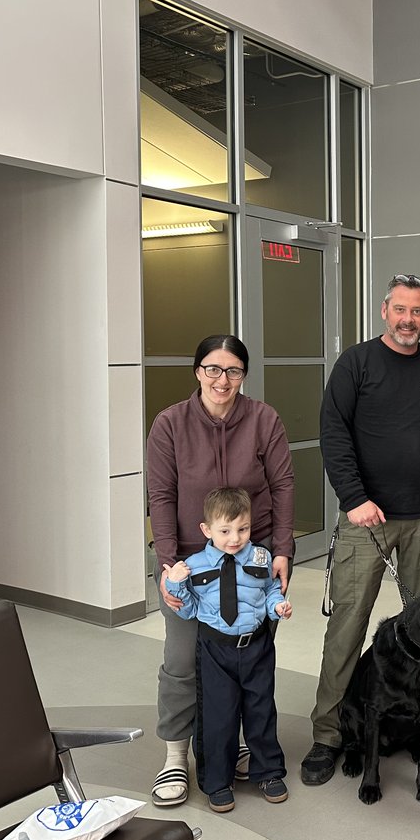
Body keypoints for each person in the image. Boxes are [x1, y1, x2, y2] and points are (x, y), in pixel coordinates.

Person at [302, 273, 420, 785]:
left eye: (417, 311)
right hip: (367, 520)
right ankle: (328, 733)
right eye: (400, 310)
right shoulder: (356, 364)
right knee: (348, 626)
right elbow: (333, 434)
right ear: (384, 311)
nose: (408, 320)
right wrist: (353, 499)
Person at [146, 334, 295, 807]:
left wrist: (282, 549)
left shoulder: (264, 419)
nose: (222, 379)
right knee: (182, 658)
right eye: (212, 368)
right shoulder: (170, 423)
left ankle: (235, 743)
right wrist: (170, 563)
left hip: (253, 559)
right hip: (192, 565)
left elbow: (284, 485)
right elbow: (162, 495)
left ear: (243, 375)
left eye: (232, 370)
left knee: (248, 658)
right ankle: (175, 755)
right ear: (197, 372)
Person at [164, 488, 293, 813]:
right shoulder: (193, 566)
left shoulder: (261, 558)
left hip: (256, 647)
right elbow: (188, 610)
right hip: (215, 650)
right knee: (217, 716)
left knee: (261, 709)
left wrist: (278, 606)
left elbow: (269, 592)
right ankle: (218, 781)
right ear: (207, 530)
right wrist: (176, 584)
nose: (235, 538)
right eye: (225, 531)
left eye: (243, 529)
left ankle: (268, 771)